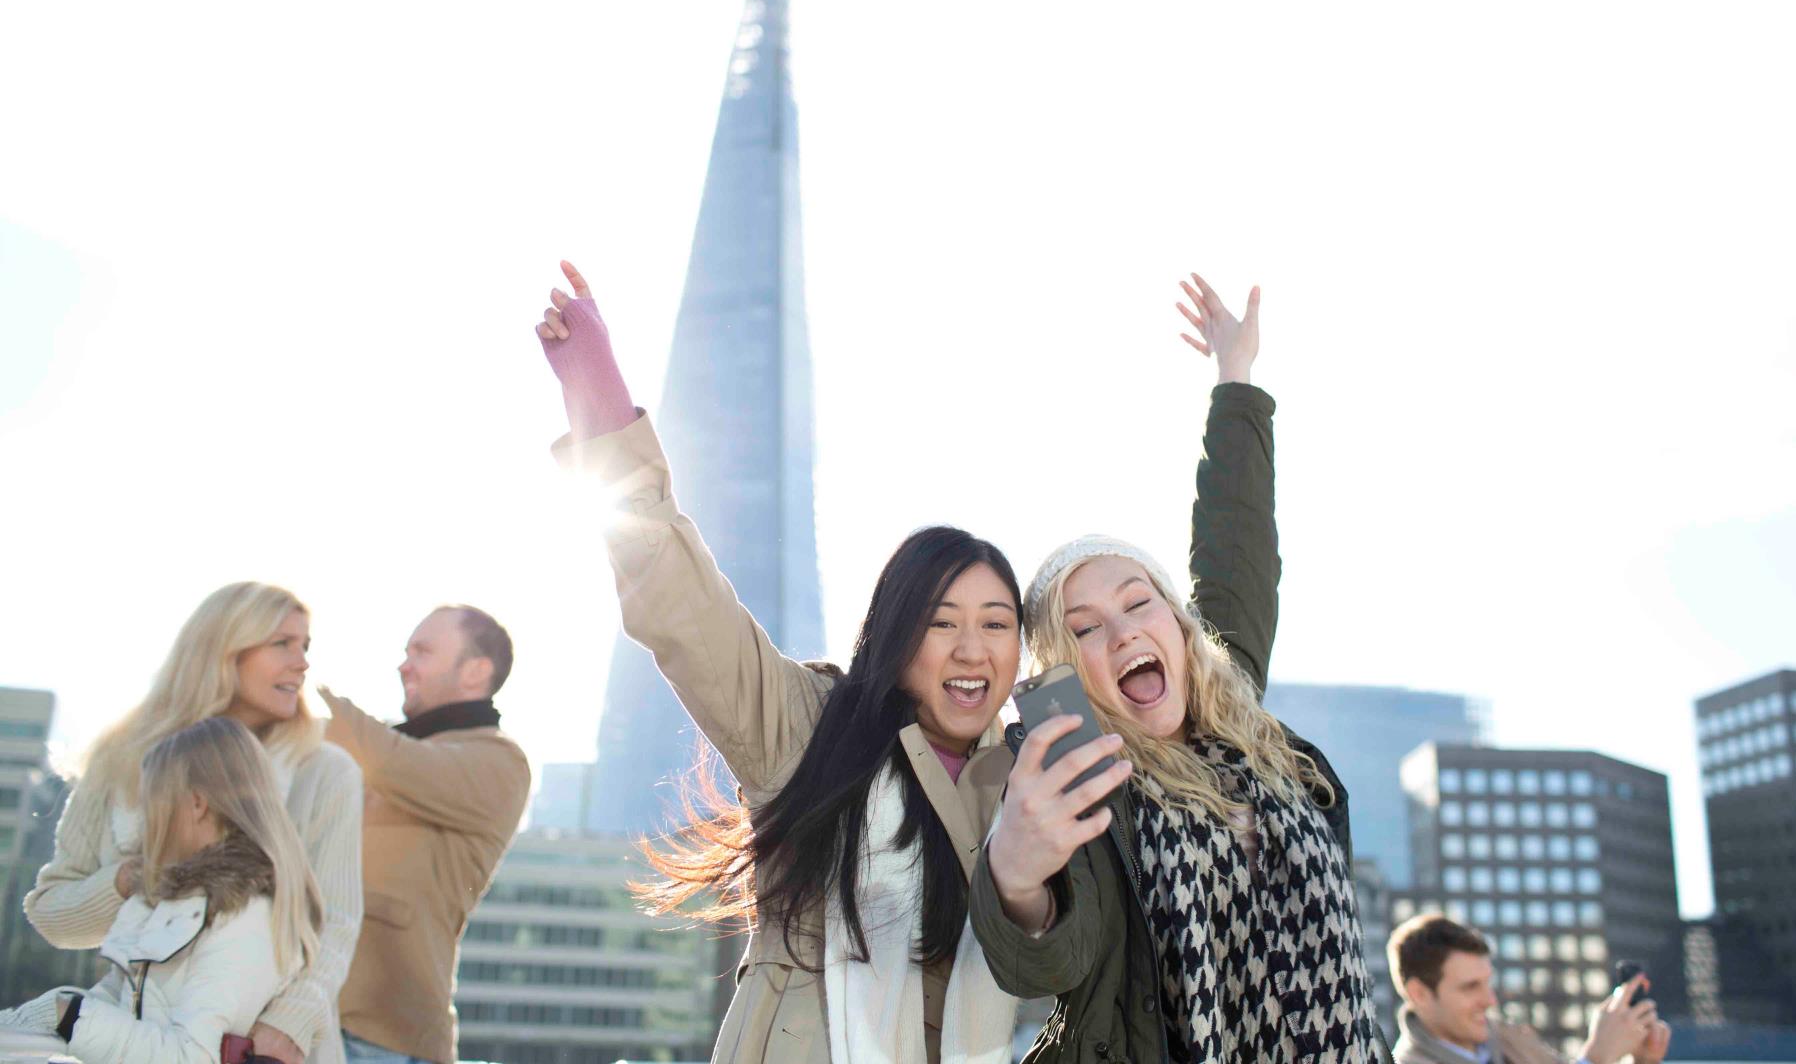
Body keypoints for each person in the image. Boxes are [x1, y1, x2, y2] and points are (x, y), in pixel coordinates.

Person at [534, 261, 1029, 1063]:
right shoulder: (809, 728)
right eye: (943, 623)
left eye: (996, 624)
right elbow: (683, 610)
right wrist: (602, 412)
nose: (972, 649)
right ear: (897, 637)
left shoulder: (1025, 783)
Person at [968, 275, 1384, 1063]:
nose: (1122, 632)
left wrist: (1236, 377)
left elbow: (1236, 538)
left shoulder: (1242, 718)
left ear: (1182, 627)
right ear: (1069, 674)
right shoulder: (1086, 782)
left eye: (1139, 603)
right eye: (1084, 628)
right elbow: (1052, 958)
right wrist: (1017, 876)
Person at [24, 582, 364, 1064]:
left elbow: (336, 923)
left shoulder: (325, 772)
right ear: (224, 648)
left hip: (271, 1052)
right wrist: (131, 879)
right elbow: (52, 915)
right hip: (131, 1043)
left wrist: (285, 1025)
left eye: (306, 645)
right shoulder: (118, 763)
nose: (303, 662)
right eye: (282, 643)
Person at [1, 716, 326, 1063]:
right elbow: (117, 1007)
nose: (146, 821)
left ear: (197, 803)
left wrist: (70, 1014)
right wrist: (54, 1011)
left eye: (152, 802)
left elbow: (192, 1056)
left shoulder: (246, 915)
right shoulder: (175, 903)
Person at [318, 605, 531, 1064]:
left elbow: (393, 762)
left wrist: (297, 686)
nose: (404, 664)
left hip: (384, 1038)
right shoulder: (382, 749)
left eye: (422, 651)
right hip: (314, 1018)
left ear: (476, 672)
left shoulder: (500, 762)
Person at [1386, 913, 1672, 1064]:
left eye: (1488, 983)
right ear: (1419, 994)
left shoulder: (1508, 1038)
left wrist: (1643, 1061)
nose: (1489, 1000)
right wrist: (1596, 1058)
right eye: (1470, 987)